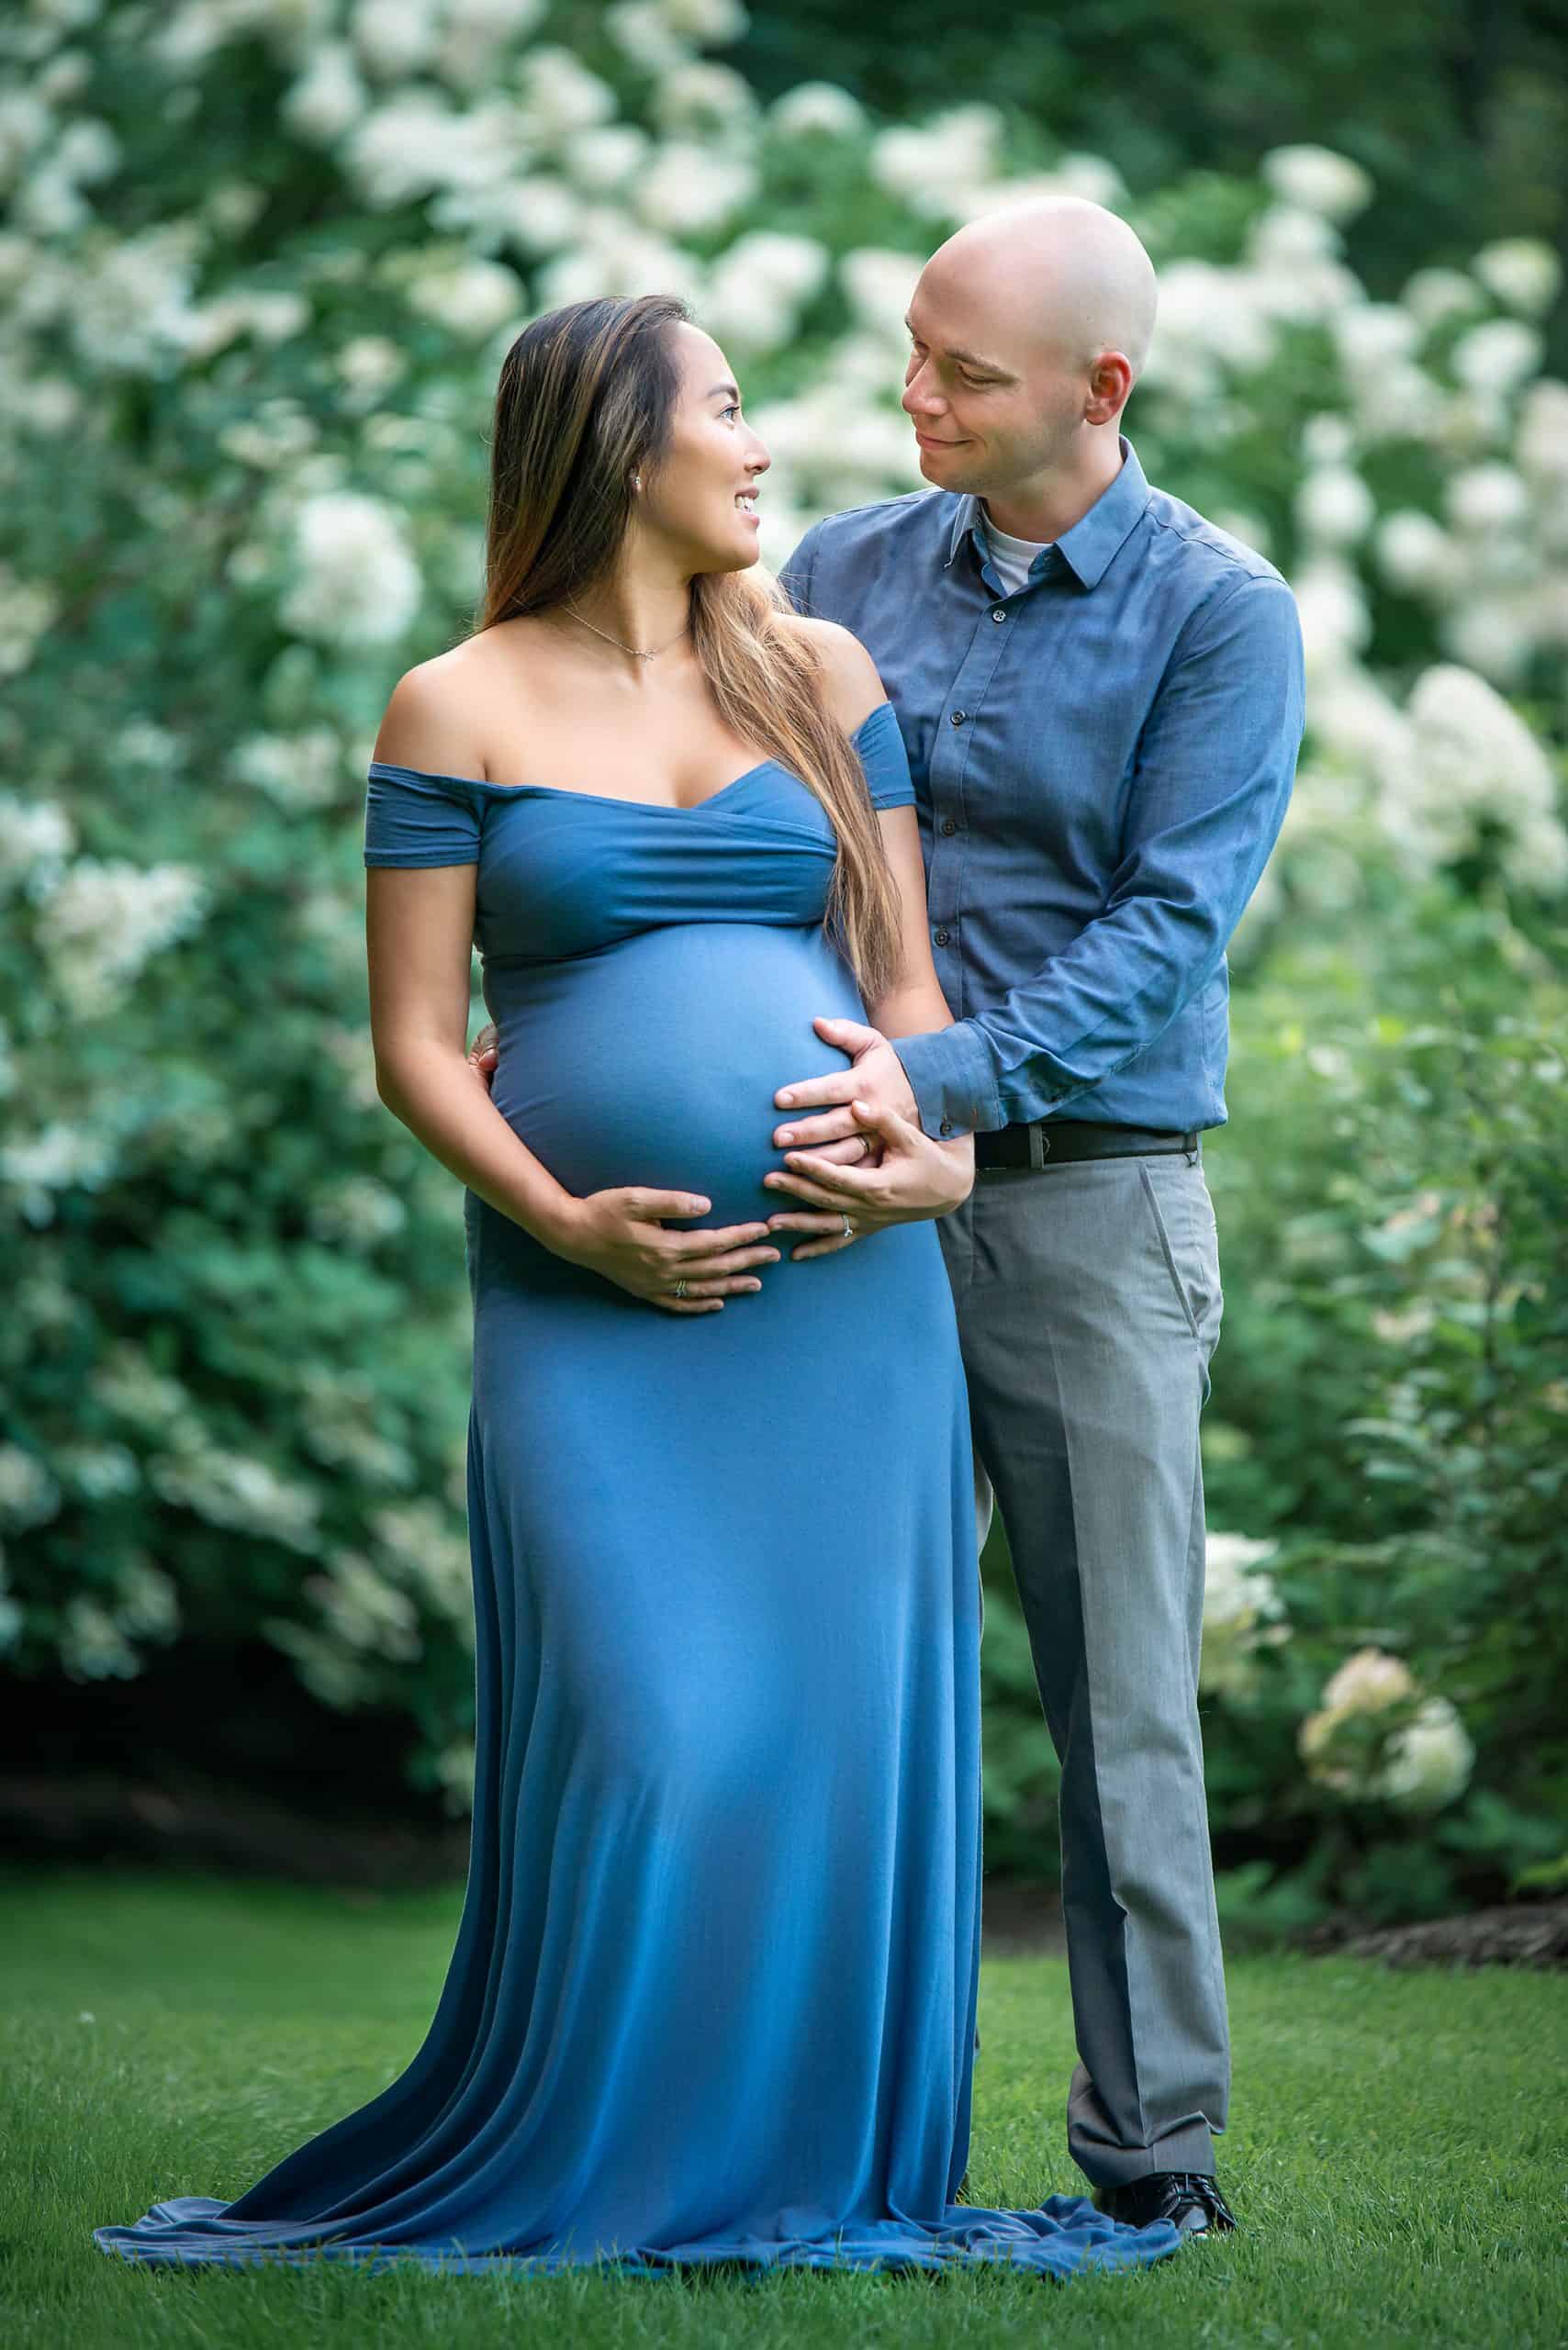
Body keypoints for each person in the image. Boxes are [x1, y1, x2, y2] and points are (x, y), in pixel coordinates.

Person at [93, 294, 1182, 2281]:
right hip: (585, 1304)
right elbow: (417, 1041)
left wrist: (926, 1166)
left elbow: (905, 986)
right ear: (616, 447)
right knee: (658, 1720)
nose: (766, 449)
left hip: (840, 1302)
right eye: (731, 413)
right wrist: (563, 1214)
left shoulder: (820, 674)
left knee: (824, 1739)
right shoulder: (455, 703)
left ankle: (784, 2168)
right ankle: (596, 2151)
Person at [745, 196, 1307, 2237]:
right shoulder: (829, 571)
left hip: (1085, 1213)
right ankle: (786, 2134)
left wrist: (943, 1082)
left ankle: (1151, 2164)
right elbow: (755, 843)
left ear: (1101, 388)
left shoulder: (1216, 611)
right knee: (828, 1681)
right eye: (910, 350)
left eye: (962, 373)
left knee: (1116, 1712)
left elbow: (1164, 936)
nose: (914, 397)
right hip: (855, 1204)